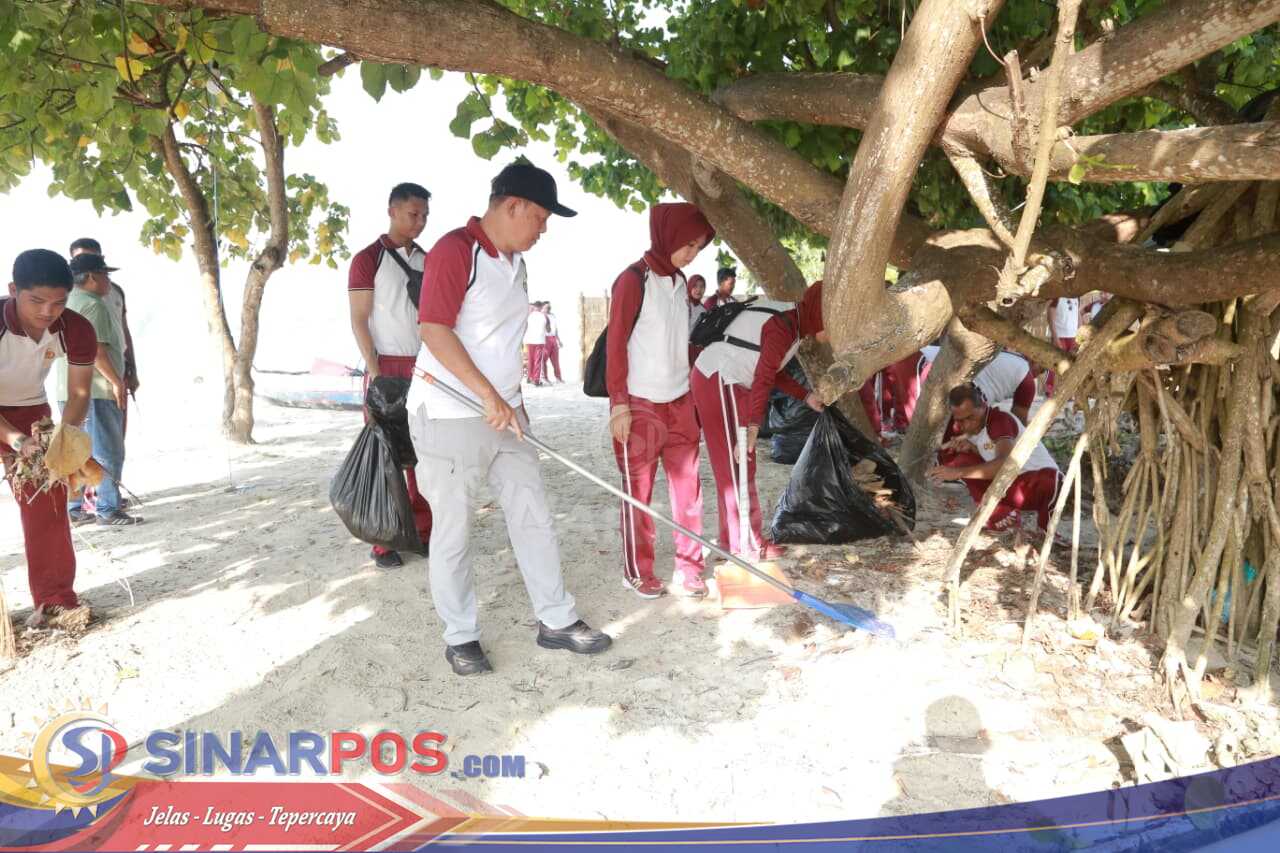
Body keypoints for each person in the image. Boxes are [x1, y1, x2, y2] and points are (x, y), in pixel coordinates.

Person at [411, 161, 611, 676]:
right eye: (540, 217)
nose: (543, 229)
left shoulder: (516, 263)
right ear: (512, 205)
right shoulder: (457, 251)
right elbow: (434, 329)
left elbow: (498, 342)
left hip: (504, 412)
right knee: (453, 530)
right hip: (449, 412)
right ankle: (461, 636)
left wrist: (512, 399)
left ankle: (556, 620)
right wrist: (486, 394)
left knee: (533, 513)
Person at [607, 203, 715, 598]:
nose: (692, 253)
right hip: (639, 404)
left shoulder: (681, 282)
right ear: (666, 235)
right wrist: (618, 402)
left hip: (680, 401)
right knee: (638, 493)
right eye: (687, 244)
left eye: (698, 247)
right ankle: (638, 570)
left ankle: (690, 569)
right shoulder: (633, 280)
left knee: (689, 492)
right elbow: (616, 343)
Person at [693, 281, 827, 558]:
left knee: (739, 463)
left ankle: (734, 540)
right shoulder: (784, 325)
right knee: (736, 463)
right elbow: (764, 374)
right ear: (821, 311)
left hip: (726, 379)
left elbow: (770, 369)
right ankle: (747, 545)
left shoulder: (794, 322)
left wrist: (805, 396)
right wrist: (754, 425)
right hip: (721, 377)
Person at [2, 249, 95, 626]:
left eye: (58, 302)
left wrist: (62, 437)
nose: (47, 312)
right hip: (8, 424)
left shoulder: (76, 327)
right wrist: (15, 440)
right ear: (13, 290)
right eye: (36, 300)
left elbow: (79, 395)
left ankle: (55, 600)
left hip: (33, 413)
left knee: (47, 502)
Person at [347, 182, 434, 569]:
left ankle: (422, 532)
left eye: (425, 215)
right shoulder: (368, 259)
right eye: (414, 214)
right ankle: (383, 541)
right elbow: (359, 319)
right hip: (386, 365)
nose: (420, 221)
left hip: (424, 366)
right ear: (392, 210)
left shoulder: (428, 260)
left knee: (423, 454)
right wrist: (377, 373)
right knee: (387, 455)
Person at [56, 254, 142, 527]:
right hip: (95, 389)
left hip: (69, 389)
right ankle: (108, 508)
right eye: (106, 275)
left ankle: (74, 507)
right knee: (107, 450)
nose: (109, 281)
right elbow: (96, 350)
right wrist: (117, 381)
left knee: (77, 449)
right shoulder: (94, 305)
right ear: (92, 277)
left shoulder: (68, 304)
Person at [928, 384, 1062, 539]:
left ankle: (1045, 530)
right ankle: (1003, 518)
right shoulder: (976, 429)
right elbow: (992, 457)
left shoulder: (999, 420)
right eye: (961, 421)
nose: (967, 424)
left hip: (1038, 485)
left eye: (971, 417)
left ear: (984, 406)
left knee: (1051, 478)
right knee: (964, 460)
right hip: (1012, 487)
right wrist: (973, 449)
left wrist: (957, 472)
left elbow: (1004, 465)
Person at [68, 238, 137, 400]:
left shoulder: (115, 291)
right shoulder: (69, 295)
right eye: (80, 259)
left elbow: (123, 331)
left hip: (116, 371)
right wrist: (115, 381)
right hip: (97, 386)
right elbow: (97, 351)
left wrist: (132, 370)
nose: (107, 277)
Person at [917, 347, 1037, 425]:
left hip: (927, 358)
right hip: (932, 367)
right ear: (1034, 361)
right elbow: (1019, 421)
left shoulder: (1009, 358)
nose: (1037, 376)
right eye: (1041, 370)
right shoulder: (1026, 376)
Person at [1045, 297, 1080, 395]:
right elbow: (1050, 315)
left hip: (1073, 336)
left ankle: (1067, 391)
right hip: (1059, 335)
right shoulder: (1058, 295)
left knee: (1071, 364)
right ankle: (1050, 390)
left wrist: (1080, 333)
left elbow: (1078, 315)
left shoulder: (1077, 296)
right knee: (1055, 363)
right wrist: (1055, 337)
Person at [523, 300, 548, 386]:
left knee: (531, 359)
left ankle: (529, 377)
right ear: (541, 307)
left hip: (530, 340)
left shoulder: (530, 316)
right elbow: (547, 328)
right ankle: (536, 379)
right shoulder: (543, 316)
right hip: (539, 341)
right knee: (537, 360)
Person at [542, 302, 563, 383]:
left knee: (555, 360)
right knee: (544, 359)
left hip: (553, 338)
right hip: (545, 338)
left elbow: (555, 328)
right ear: (543, 308)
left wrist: (559, 340)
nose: (548, 308)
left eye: (549, 306)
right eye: (546, 307)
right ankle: (545, 378)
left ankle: (558, 378)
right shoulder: (541, 316)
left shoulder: (553, 316)